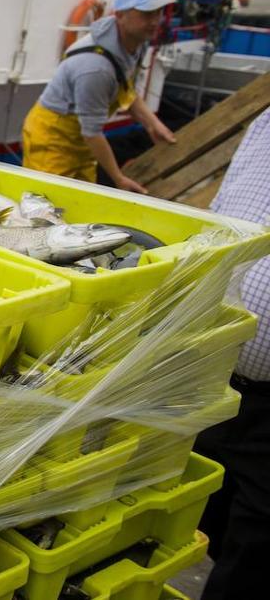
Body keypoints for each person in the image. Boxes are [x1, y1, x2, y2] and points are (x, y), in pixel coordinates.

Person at [195, 108, 270, 600]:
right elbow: (220, 220)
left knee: (254, 549)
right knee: (202, 512)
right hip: (212, 371)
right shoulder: (265, 123)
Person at [22, 0, 178, 193]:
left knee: (81, 199)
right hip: (54, 138)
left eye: (158, 13)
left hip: (81, 139)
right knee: (46, 203)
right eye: (146, 14)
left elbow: (126, 89)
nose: (154, 21)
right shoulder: (95, 67)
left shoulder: (136, 43)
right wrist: (118, 179)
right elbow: (92, 132)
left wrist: (152, 124)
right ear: (120, 15)